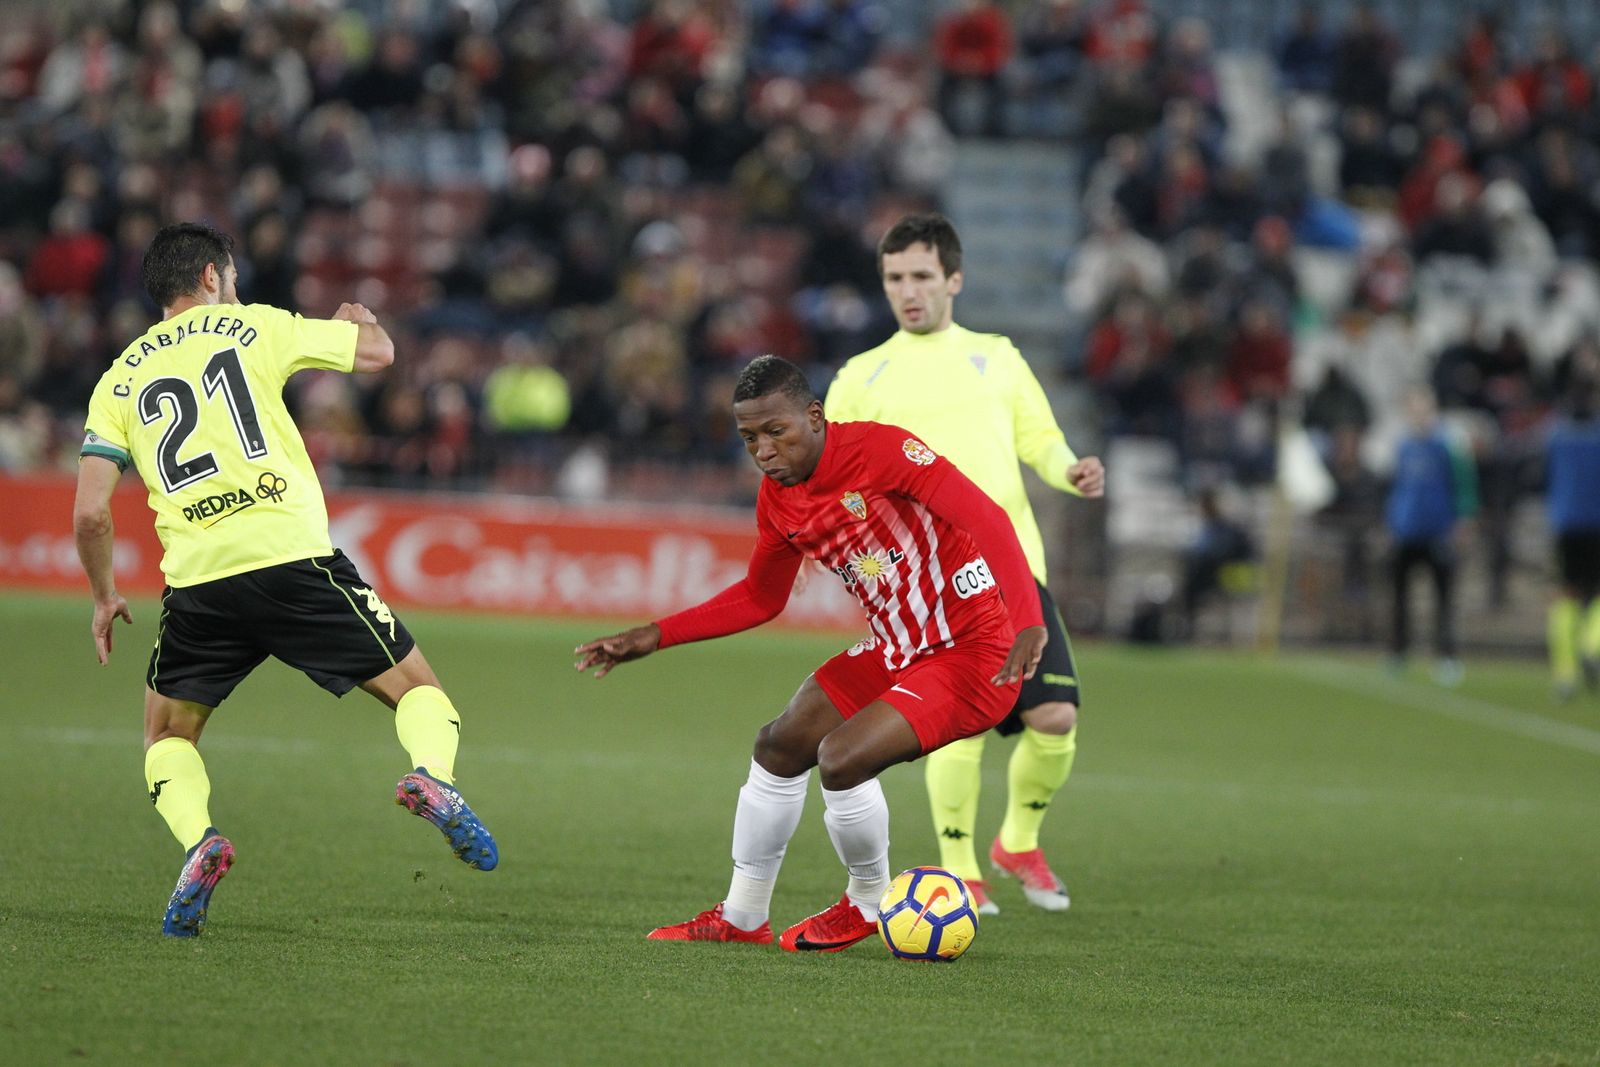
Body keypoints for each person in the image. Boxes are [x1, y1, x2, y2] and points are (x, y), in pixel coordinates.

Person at [73, 223, 498, 938]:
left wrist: (104, 593)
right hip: (291, 559)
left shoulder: (119, 377)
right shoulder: (251, 327)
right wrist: (356, 317)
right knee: (418, 691)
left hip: (199, 582)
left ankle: (200, 841)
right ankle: (432, 776)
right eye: (231, 274)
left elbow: (90, 512)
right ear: (211, 276)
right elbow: (379, 352)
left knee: (166, 735)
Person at [574, 354, 1047, 952]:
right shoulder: (778, 501)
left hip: (974, 654)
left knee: (841, 758)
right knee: (779, 745)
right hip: (895, 648)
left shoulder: (883, 452)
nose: (764, 451)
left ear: (815, 417)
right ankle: (743, 916)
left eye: (777, 432)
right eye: (750, 438)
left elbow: (989, 518)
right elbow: (759, 598)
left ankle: (869, 901)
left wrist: (1030, 622)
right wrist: (653, 634)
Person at [826, 212, 1103, 915]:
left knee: (1057, 716)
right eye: (894, 278)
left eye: (921, 275)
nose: (907, 291)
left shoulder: (997, 356)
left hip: (1014, 567)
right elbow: (833, 483)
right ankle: (961, 870)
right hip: (929, 580)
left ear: (954, 279)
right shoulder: (861, 376)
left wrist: (1071, 469)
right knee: (960, 722)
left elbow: (1039, 437)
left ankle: (1018, 841)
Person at [1385, 386, 1477, 685]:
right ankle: (1398, 654)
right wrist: (1393, 523)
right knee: (1400, 598)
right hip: (1406, 533)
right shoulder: (1403, 447)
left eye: (1423, 407)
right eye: (1414, 408)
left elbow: (1464, 485)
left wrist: (1463, 520)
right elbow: (1396, 490)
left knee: (1444, 599)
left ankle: (1447, 657)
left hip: (1439, 532)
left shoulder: (1448, 445)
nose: (1419, 414)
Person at [1545, 380, 1600, 700]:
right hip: (1597, 525)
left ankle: (1565, 674)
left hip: (1566, 524)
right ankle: (1592, 645)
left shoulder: (1557, 436)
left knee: (1565, 595)